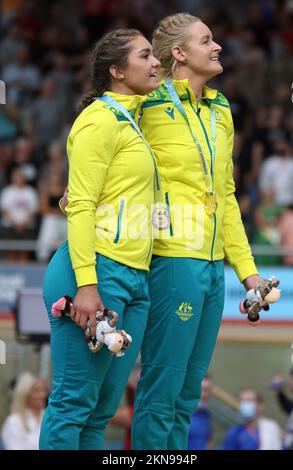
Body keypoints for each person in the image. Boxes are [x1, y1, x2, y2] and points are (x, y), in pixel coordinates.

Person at [131, 13, 261, 450]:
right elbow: (99, 133)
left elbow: (225, 195)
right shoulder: (145, 103)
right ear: (179, 54)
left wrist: (247, 272)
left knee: (189, 394)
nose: (218, 46)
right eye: (207, 40)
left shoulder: (221, 110)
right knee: (162, 390)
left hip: (211, 268)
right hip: (171, 257)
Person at [39, 28, 161, 450]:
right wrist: (87, 285)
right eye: (145, 56)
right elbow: (82, 205)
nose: (156, 63)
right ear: (116, 70)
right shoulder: (98, 120)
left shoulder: (134, 122)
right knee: (73, 406)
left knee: (99, 415)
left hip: (135, 278)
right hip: (94, 272)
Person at [1, 372, 47, 450]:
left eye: (44, 390)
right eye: (37, 391)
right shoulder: (14, 422)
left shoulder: (48, 418)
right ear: (24, 394)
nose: (43, 395)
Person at [270, 366, 293, 450]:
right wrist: (279, 391)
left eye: (292, 378)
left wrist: (287, 436)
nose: (289, 382)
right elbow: (288, 407)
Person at [188, 374, 213, 450]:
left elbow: (207, 442)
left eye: (208, 391)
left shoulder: (206, 415)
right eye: (202, 389)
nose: (205, 395)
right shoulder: (179, 415)